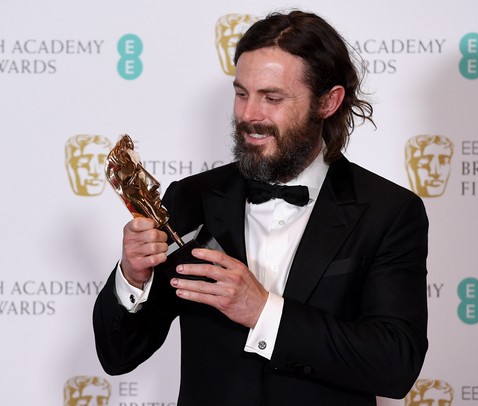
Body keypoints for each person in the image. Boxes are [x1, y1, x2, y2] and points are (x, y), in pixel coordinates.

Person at [93, 10, 429, 406]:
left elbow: (394, 364)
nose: (249, 115)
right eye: (241, 93)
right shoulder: (191, 198)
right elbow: (118, 356)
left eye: (272, 98)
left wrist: (264, 312)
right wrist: (132, 278)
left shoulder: (388, 211)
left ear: (328, 102)